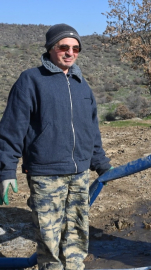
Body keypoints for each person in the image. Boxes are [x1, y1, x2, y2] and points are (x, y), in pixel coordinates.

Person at [0, 23, 112, 270]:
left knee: (77, 234)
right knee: (49, 240)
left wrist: (102, 165)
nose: (70, 52)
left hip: (79, 175)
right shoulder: (31, 80)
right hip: (45, 175)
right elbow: (11, 129)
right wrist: (7, 170)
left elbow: (91, 130)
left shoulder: (82, 84)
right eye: (63, 46)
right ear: (51, 48)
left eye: (75, 48)